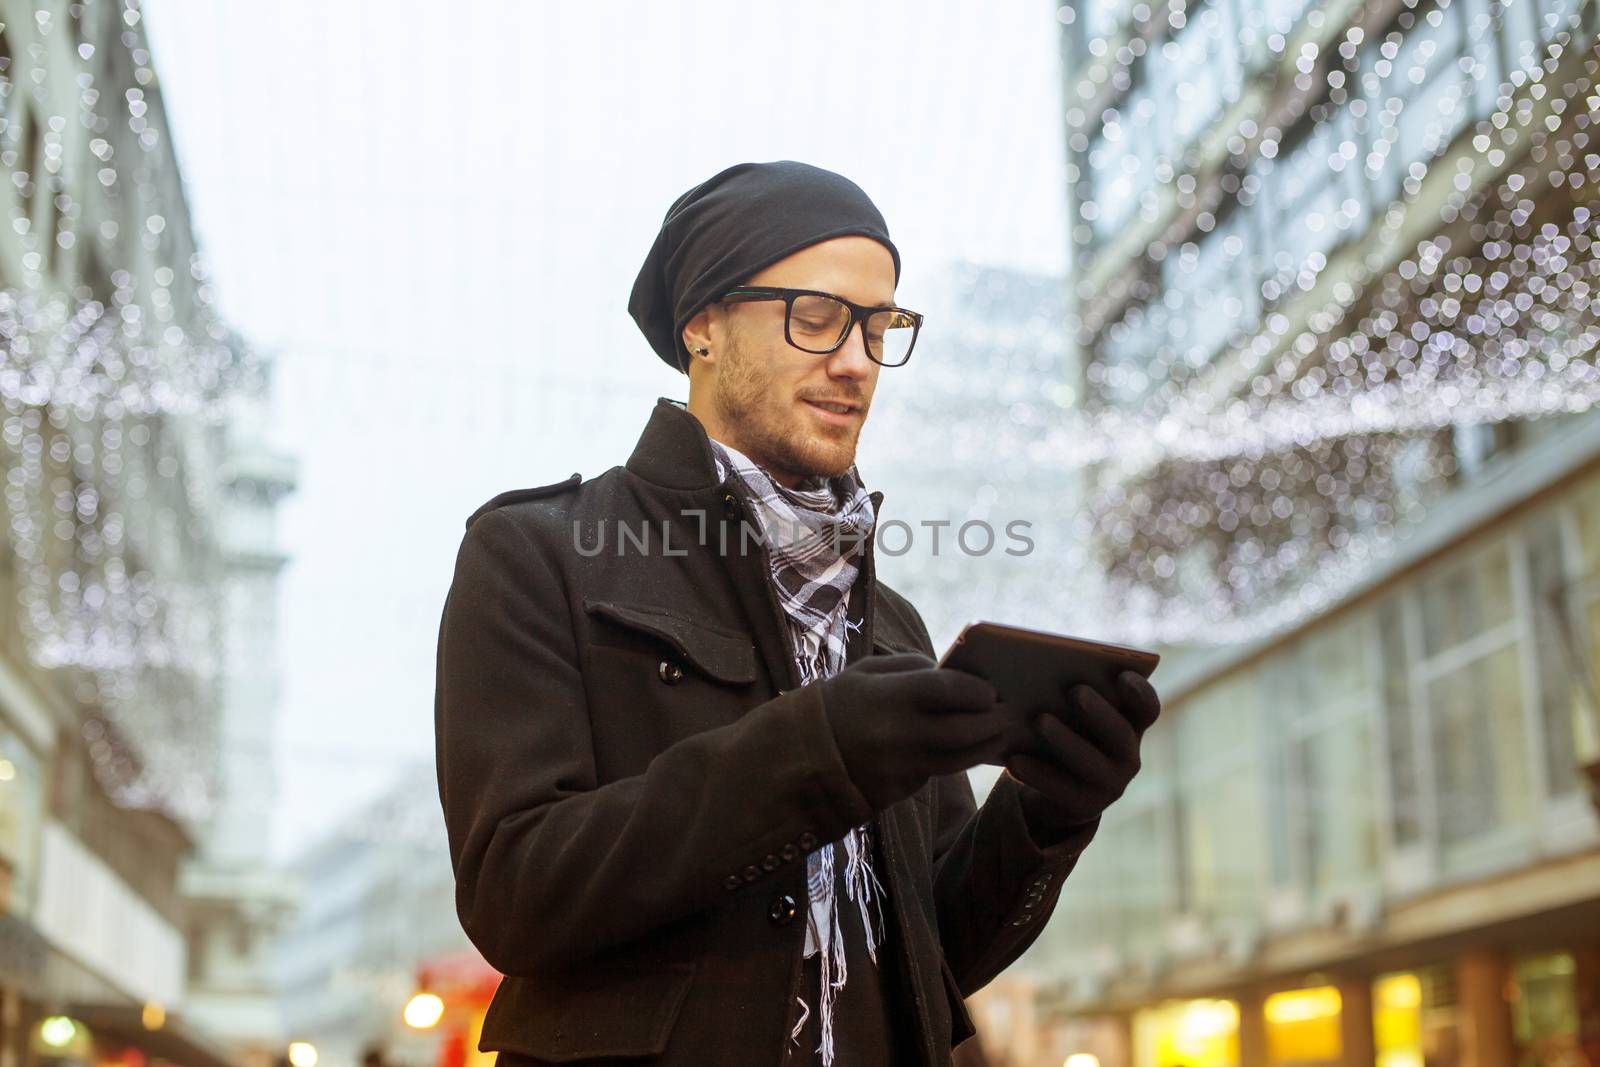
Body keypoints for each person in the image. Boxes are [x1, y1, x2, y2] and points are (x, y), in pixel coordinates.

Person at [433, 160, 1161, 1067]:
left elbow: (938, 956)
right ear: (702, 324)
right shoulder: (540, 553)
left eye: (880, 326)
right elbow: (516, 894)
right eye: (815, 317)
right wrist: (821, 752)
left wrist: (1048, 810)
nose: (856, 360)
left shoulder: (891, 624)